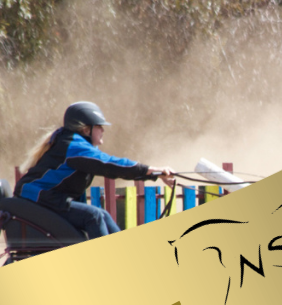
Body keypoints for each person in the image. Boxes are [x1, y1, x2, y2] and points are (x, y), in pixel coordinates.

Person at [14, 101, 175, 239]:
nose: (103, 130)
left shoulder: (73, 143)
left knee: (101, 214)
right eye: (99, 126)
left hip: (44, 198)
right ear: (86, 129)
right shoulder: (74, 146)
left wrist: (154, 173)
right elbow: (109, 164)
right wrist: (151, 170)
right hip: (36, 198)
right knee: (93, 216)